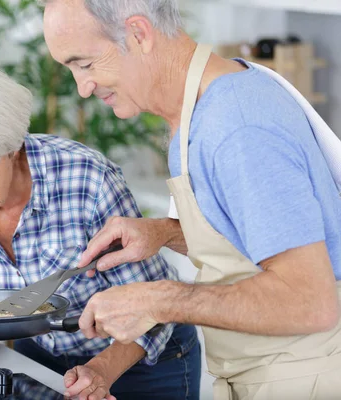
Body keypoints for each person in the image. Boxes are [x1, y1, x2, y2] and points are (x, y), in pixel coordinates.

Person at [41, 0, 341, 399]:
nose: (83, 87)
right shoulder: (202, 106)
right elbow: (254, 239)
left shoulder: (237, 127)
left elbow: (309, 301)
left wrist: (158, 300)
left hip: (302, 379)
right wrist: (165, 233)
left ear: (138, 33)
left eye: (86, 64)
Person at [0, 59, 201, 400]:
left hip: (143, 363)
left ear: (11, 147)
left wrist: (100, 370)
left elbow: (153, 308)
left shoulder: (87, 179)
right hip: (42, 359)